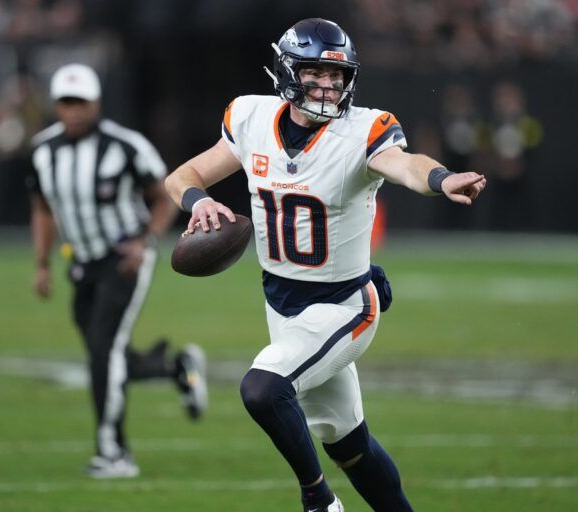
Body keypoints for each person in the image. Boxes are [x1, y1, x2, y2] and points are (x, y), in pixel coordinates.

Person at [165, 19, 486, 512]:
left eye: (338, 76)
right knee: (348, 444)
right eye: (316, 73)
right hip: (283, 304)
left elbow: (406, 164)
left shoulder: (362, 130)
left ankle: (319, 501)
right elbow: (184, 175)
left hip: (344, 306)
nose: (329, 86)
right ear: (289, 71)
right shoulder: (251, 118)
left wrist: (441, 179)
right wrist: (197, 201)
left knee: (262, 388)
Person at [28, 63, 208, 479]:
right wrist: (41, 263)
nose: (73, 111)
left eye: (81, 102)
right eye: (66, 102)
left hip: (124, 260)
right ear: (56, 105)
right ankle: (177, 370)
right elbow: (41, 208)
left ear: (96, 103)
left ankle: (114, 452)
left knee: (104, 349)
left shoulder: (126, 146)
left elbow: (163, 195)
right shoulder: (43, 150)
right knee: (102, 352)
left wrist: (145, 241)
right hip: (81, 261)